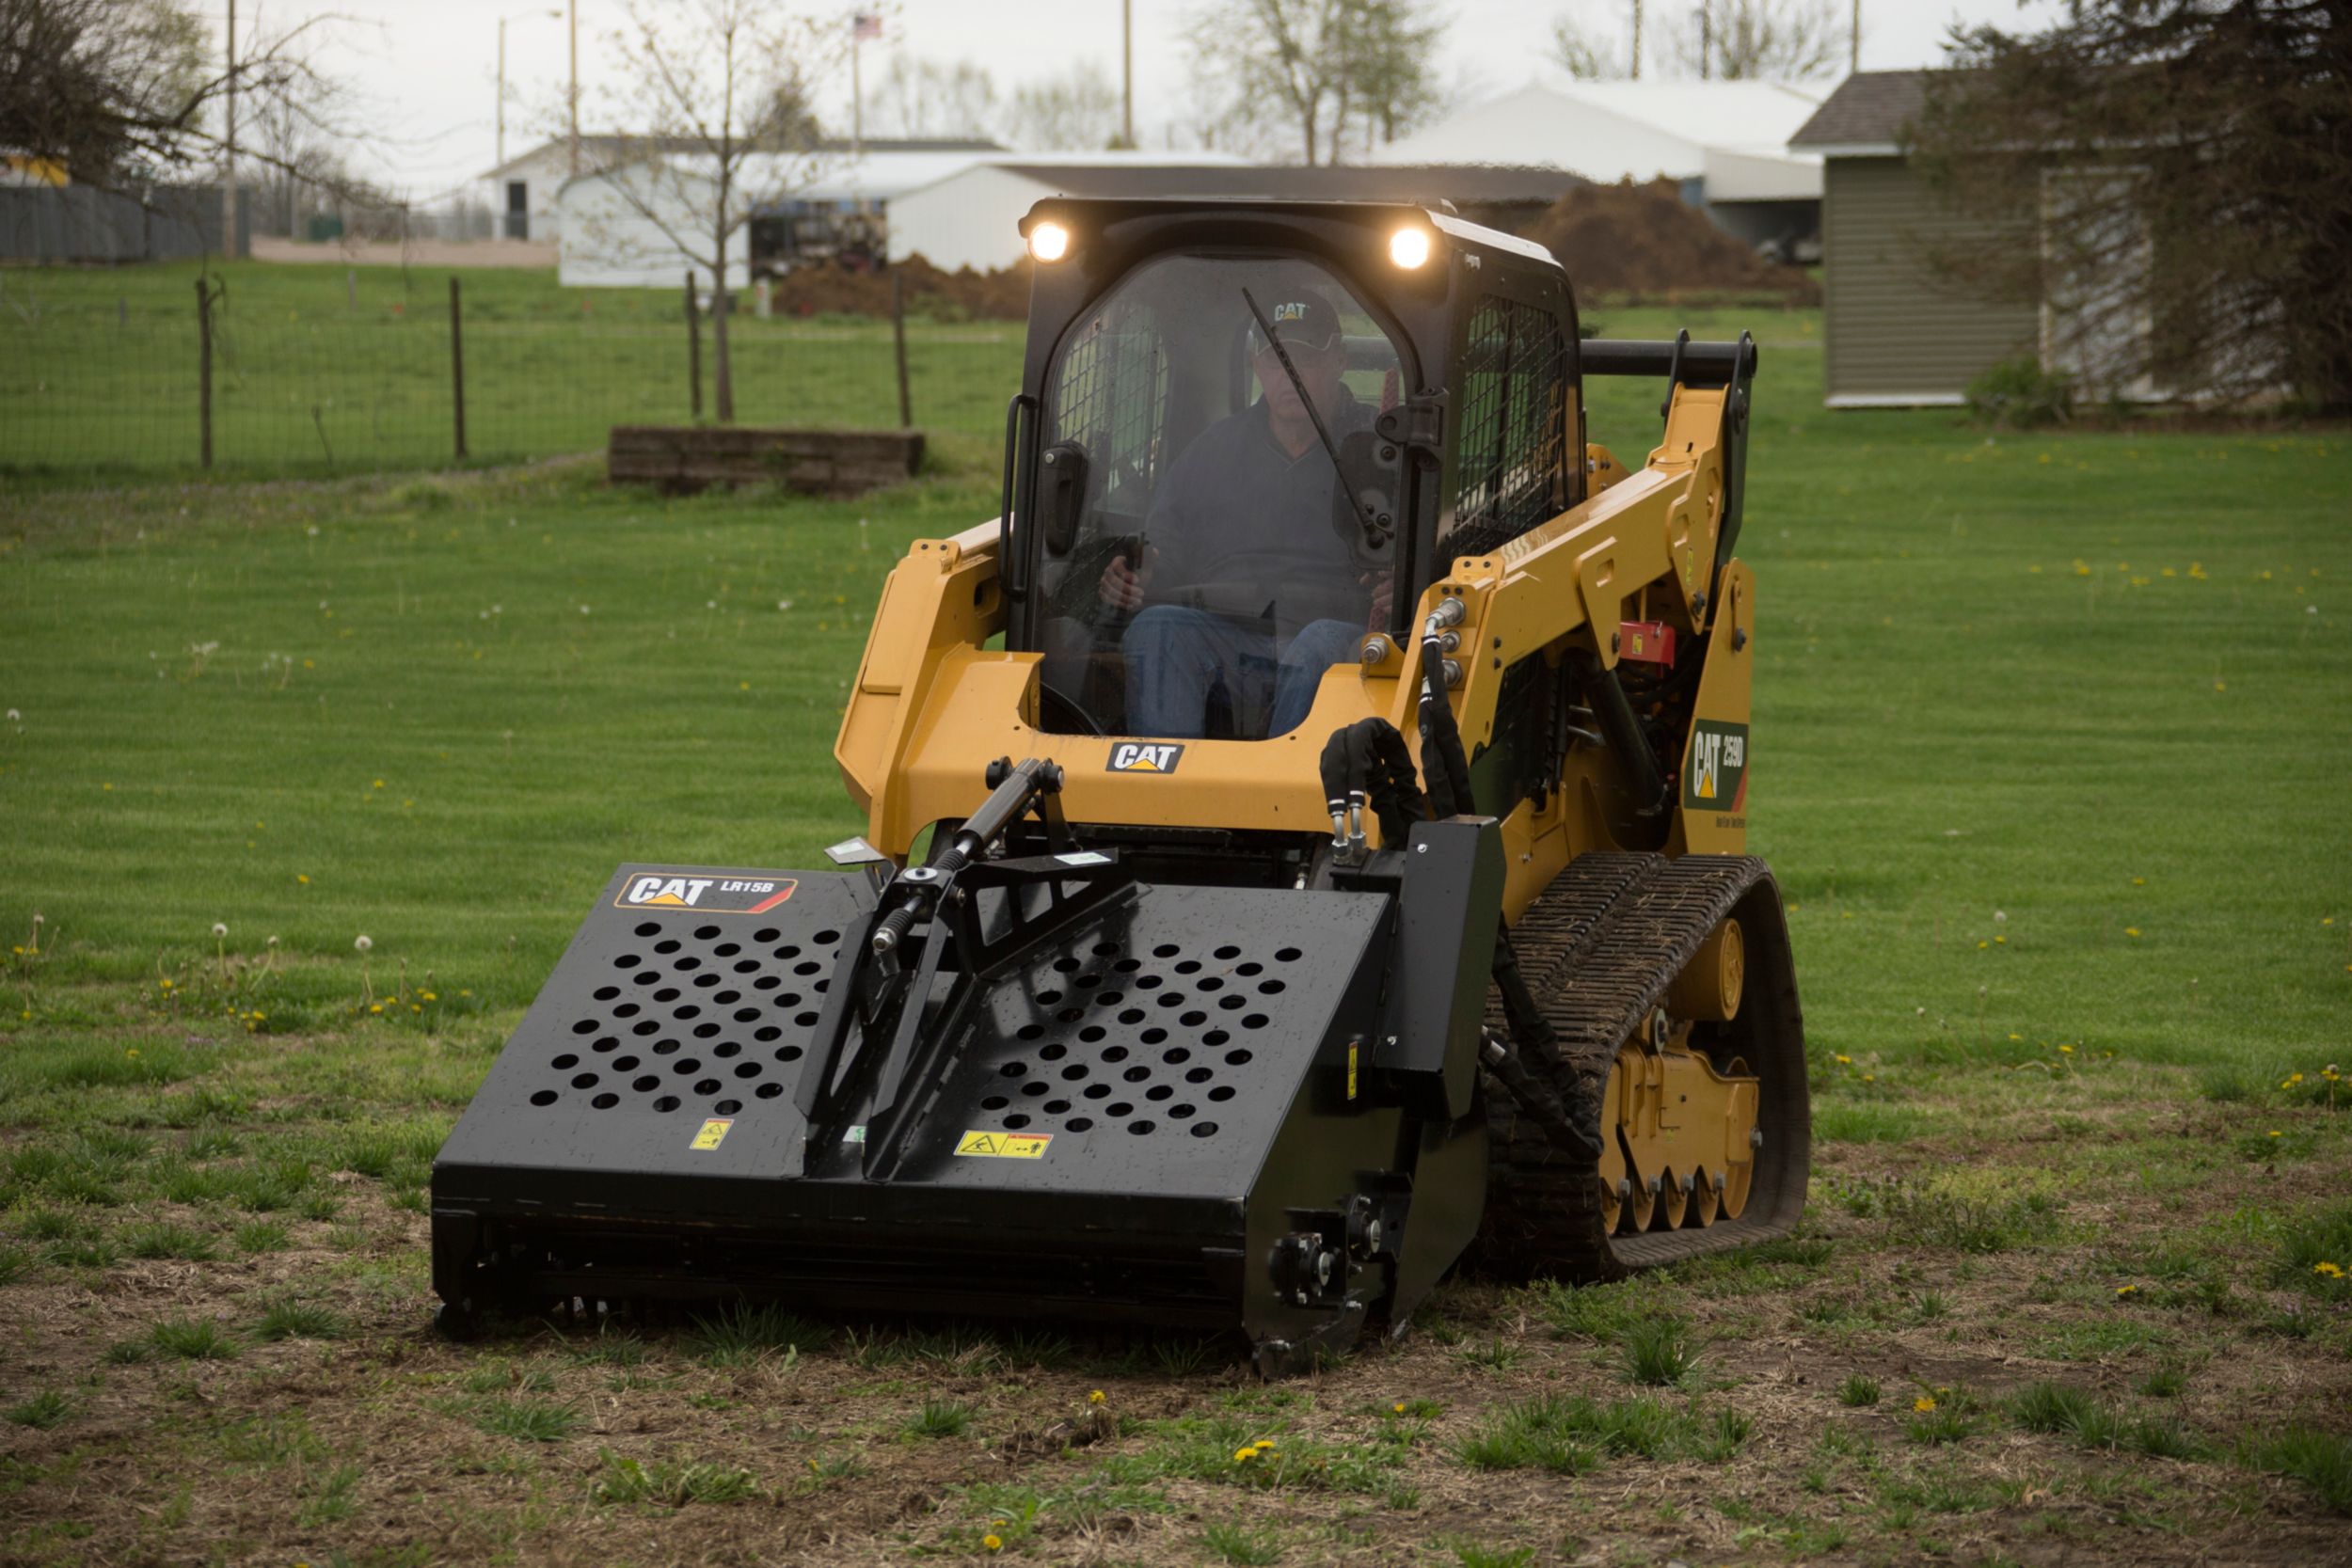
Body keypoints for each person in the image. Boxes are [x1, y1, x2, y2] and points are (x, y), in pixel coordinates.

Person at [1100, 292, 1391, 739]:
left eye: (1305, 359)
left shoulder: (1383, 452)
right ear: (1256, 365)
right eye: (1276, 361)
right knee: (1159, 627)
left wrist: (1402, 584)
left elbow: (1421, 558)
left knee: (1319, 642)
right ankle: (1164, 803)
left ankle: (1277, 800)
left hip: (1340, 638)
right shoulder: (1214, 451)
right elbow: (1164, 549)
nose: (1288, 377)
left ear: (1340, 360)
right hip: (1229, 634)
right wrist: (1140, 575)